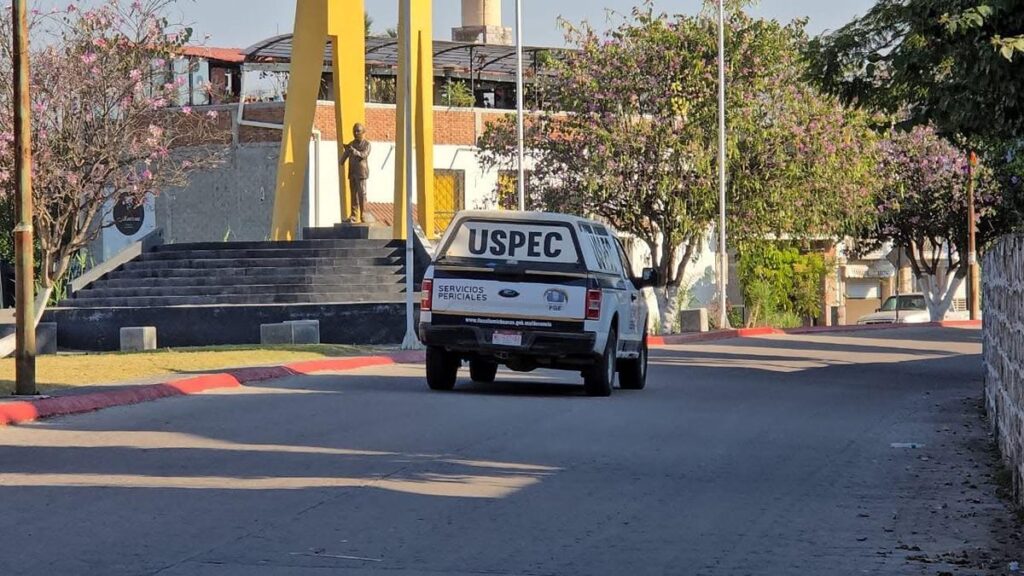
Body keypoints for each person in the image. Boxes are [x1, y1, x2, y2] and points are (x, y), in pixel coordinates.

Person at [339, 123, 371, 223]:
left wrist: (354, 152)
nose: (355, 133)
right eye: (354, 131)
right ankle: (353, 215)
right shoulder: (351, 144)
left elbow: (364, 155)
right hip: (352, 172)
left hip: (361, 173)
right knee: (353, 195)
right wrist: (343, 157)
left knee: (362, 194)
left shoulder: (367, 144)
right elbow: (344, 158)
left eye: (358, 131)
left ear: (363, 132)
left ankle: (363, 214)